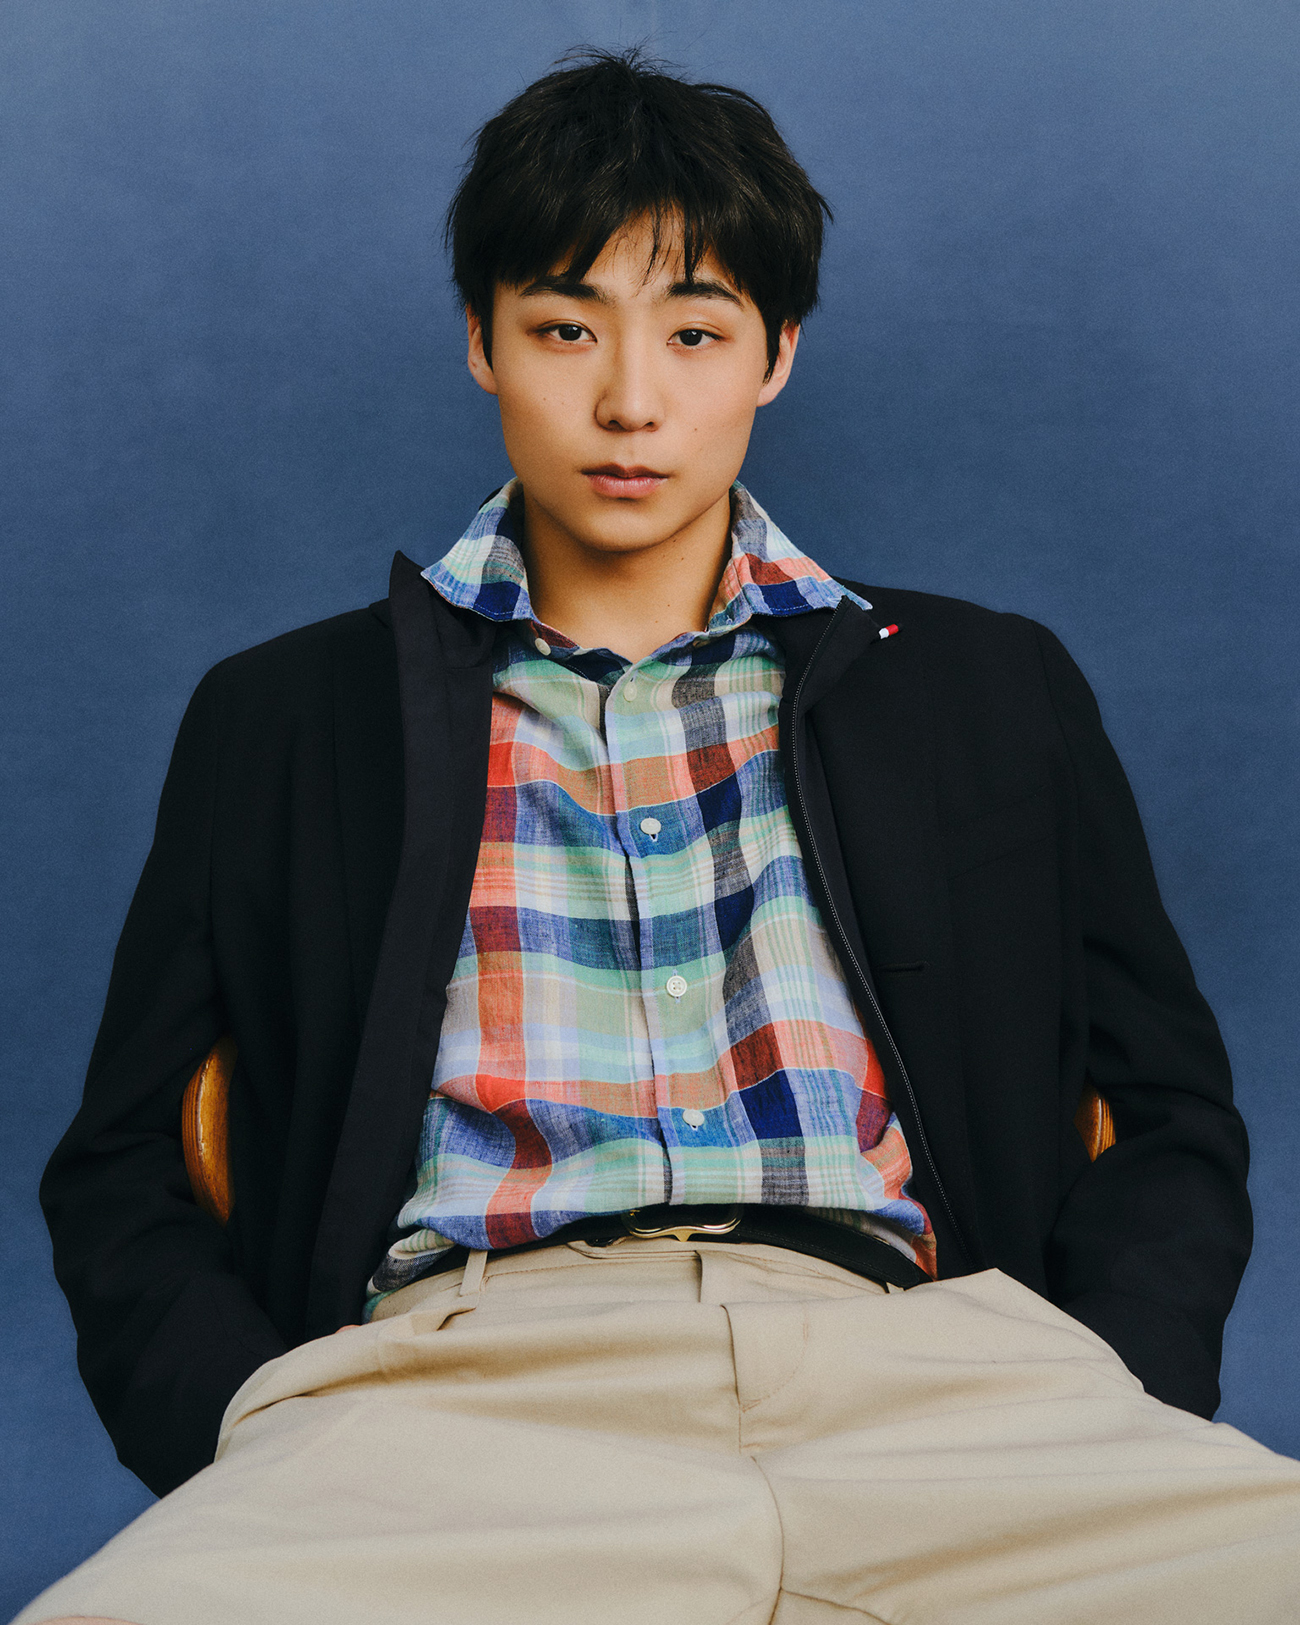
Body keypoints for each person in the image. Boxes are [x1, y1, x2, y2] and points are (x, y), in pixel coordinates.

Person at [16, 46, 1300, 1625]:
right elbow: (125, 1162)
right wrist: (255, 1421)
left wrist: (1112, 1381)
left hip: (940, 1384)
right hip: (454, 1401)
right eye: (566, 327)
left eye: (696, 331)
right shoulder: (283, 717)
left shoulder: (984, 686)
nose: (630, 400)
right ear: (482, 338)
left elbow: (1167, 1109)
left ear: (776, 354)